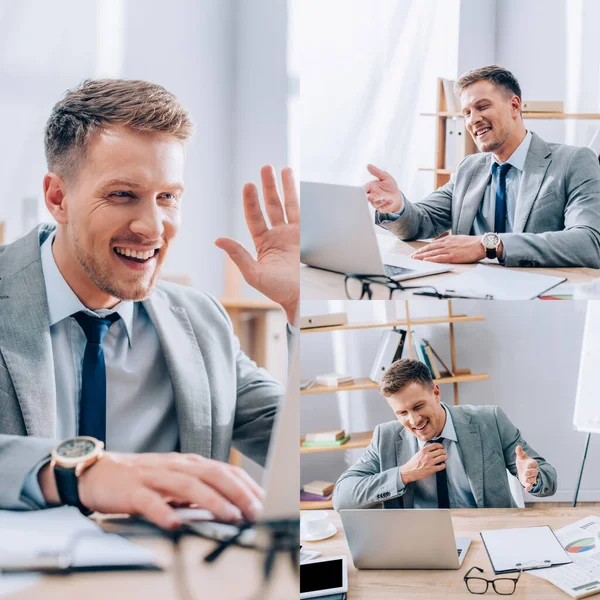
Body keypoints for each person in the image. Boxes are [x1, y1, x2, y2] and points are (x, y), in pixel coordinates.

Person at [0, 79, 299, 529]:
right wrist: (77, 474)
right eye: (122, 195)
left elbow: (297, 442)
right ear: (58, 198)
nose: (152, 227)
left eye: (168, 197)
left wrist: (301, 307)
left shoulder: (202, 324)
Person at [365, 65, 600, 268]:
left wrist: (489, 244)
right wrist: (396, 206)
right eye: (466, 112)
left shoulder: (574, 161)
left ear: (515, 105)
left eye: (482, 106)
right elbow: (422, 221)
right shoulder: (470, 168)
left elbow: (589, 243)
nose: (472, 120)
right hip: (467, 284)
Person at [333, 359, 557, 510]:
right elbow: (342, 498)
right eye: (402, 412)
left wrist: (533, 478)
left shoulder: (491, 420)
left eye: (419, 406)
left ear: (436, 393)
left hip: (488, 532)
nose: (414, 420)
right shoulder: (386, 437)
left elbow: (548, 478)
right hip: (421, 542)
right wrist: (404, 474)